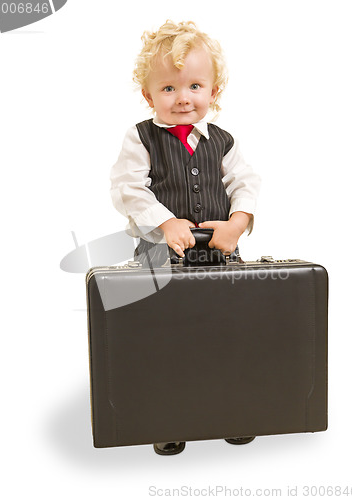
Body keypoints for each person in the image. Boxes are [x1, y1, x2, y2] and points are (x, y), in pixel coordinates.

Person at [110, 20, 261, 454]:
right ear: (149, 95)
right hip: (159, 257)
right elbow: (128, 188)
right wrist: (164, 222)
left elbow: (245, 183)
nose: (183, 99)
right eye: (169, 89)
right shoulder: (140, 138)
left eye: (195, 86)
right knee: (164, 337)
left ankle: (231, 410)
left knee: (227, 333)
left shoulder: (224, 141)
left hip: (221, 254)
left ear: (213, 92)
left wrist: (237, 223)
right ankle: (168, 418)